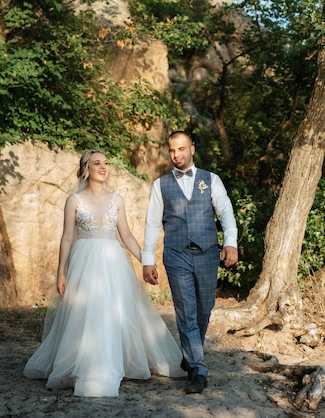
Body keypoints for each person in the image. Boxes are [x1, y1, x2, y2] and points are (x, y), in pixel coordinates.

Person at [24, 148, 185, 397]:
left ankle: (113, 361)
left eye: (106, 163)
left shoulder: (116, 200)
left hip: (112, 263)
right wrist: (61, 272)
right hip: (84, 263)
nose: (103, 167)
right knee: (85, 313)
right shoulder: (74, 200)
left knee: (114, 312)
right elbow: (67, 238)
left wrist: (147, 262)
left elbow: (128, 237)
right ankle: (86, 365)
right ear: (86, 169)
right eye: (97, 163)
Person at [142, 131, 238, 394]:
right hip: (176, 255)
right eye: (172, 150)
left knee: (204, 308)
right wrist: (147, 260)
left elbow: (226, 211)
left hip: (207, 253)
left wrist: (231, 242)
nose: (177, 155)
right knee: (186, 312)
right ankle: (197, 368)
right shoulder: (160, 185)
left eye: (182, 149)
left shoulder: (211, 180)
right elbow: (152, 223)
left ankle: (190, 354)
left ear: (192, 149)